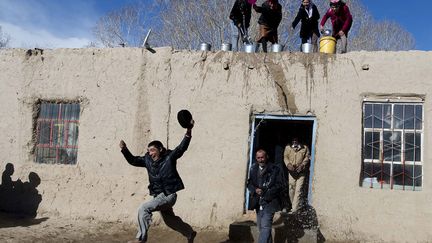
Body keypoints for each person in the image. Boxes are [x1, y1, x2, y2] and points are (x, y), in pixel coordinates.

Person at [119, 120, 197, 243]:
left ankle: (141, 239)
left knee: (143, 208)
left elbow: (182, 148)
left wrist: (189, 130)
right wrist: (124, 149)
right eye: (149, 151)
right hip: (158, 196)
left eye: (153, 150)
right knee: (170, 221)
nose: (150, 153)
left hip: (169, 195)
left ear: (160, 150)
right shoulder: (147, 160)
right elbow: (133, 160)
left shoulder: (169, 157)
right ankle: (190, 233)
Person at [247, 149, 284, 243]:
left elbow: (280, 185)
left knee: (265, 226)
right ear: (256, 158)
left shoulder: (275, 169)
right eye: (258, 158)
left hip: (270, 202)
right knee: (261, 227)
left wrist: (266, 193)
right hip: (258, 202)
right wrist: (255, 190)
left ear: (266, 157)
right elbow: (250, 183)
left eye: (262, 157)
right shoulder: (253, 168)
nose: (260, 160)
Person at [283, 138, 310, 213]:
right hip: (291, 171)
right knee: (291, 189)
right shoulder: (288, 147)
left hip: (301, 172)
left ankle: (294, 209)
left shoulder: (304, 148)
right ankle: (294, 206)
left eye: (296, 140)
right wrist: (288, 164)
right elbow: (285, 157)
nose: (294, 142)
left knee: (298, 190)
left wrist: (302, 165)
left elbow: (307, 157)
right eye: (293, 140)